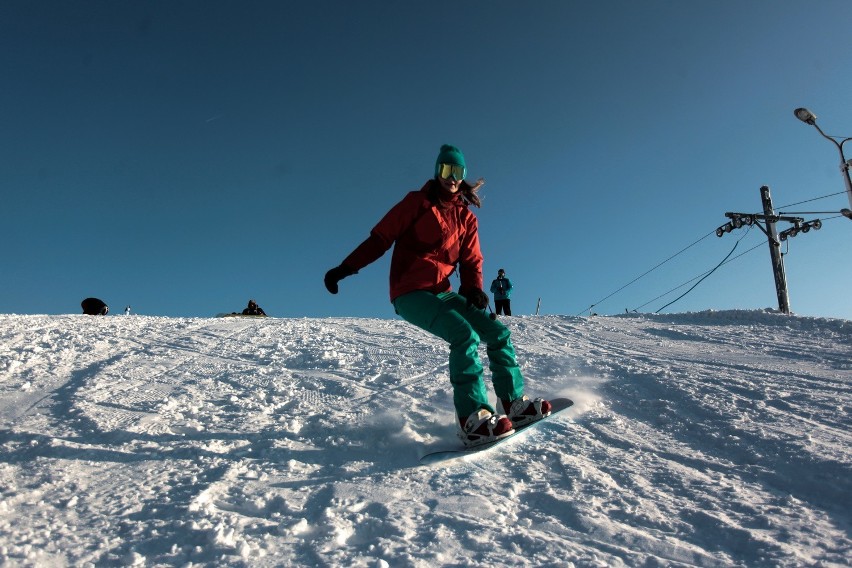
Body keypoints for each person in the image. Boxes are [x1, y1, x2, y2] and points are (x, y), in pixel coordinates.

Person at [324, 144, 551, 447]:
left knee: (497, 332)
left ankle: (512, 404)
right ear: (437, 171)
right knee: (464, 335)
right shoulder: (416, 203)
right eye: (446, 170)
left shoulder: (467, 219)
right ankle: (473, 418)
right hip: (410, 291)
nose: (452, 177)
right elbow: (380, 239)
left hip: (443, 292)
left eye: (457, 171)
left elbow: (472, 261)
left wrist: (472, 288)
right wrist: (345, 268)